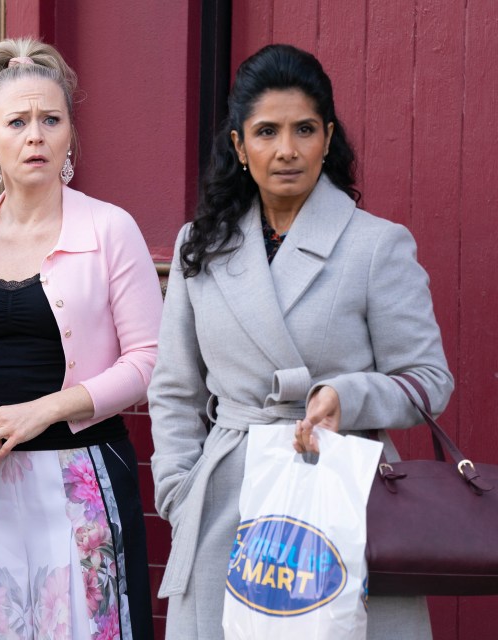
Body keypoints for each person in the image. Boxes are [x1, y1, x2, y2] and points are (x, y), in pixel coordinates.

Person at [148, 44, 453, 640]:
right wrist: (179, 493)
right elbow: (175, 388)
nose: (286, 149)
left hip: (342, 492)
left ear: (327, 137)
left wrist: (350, 396)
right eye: (266, 131)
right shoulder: (200, 246)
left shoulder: (377, 245)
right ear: (239, 146)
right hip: (227, 501)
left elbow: (428, 381)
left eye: (304, 129)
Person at [0, 37, 162, 639]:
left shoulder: (109, 228)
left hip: (84, 481)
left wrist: (44, 411)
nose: (36, 135)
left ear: (71, 133)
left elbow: (151, 359)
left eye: (51, 120)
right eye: (17, 121)